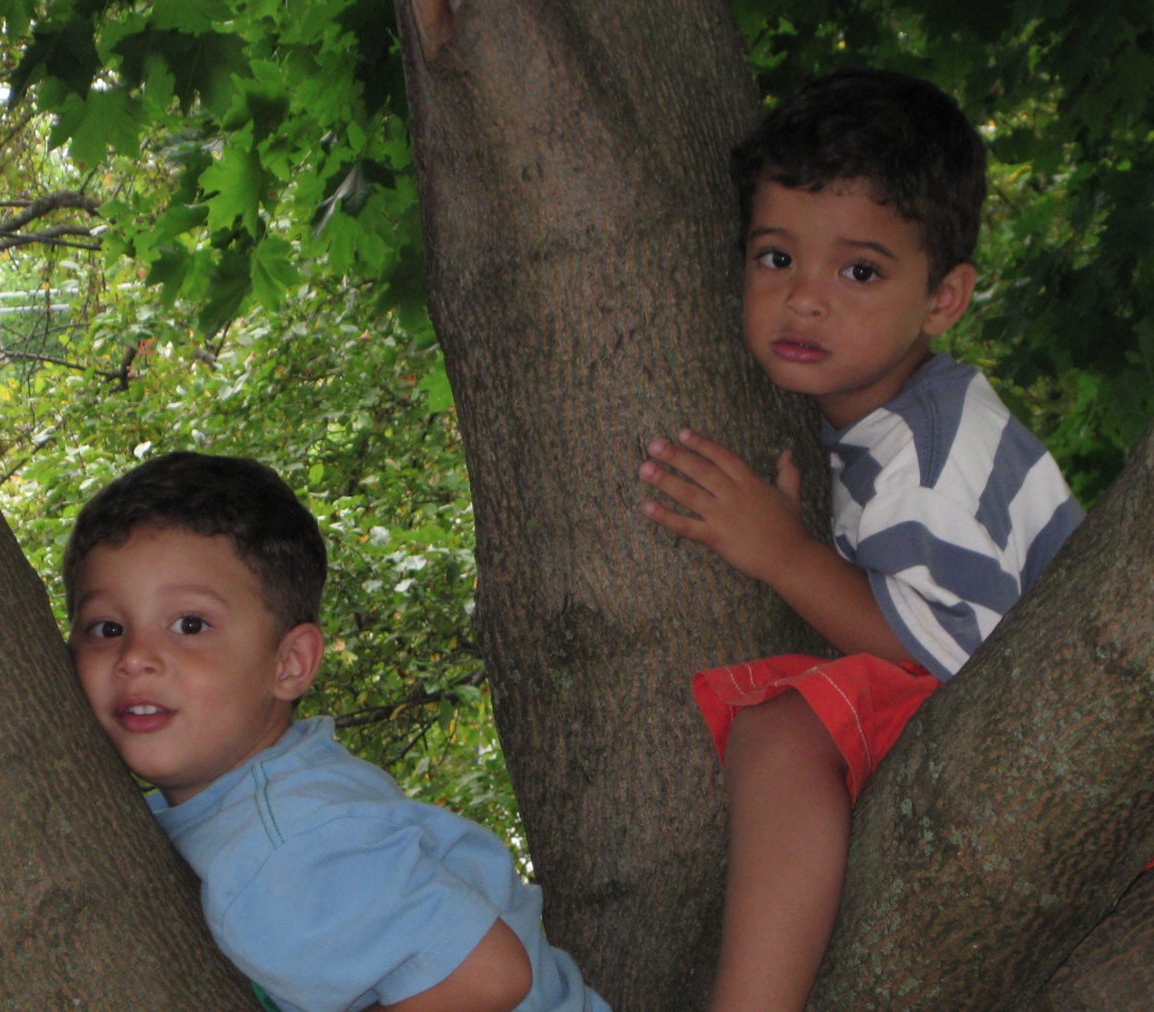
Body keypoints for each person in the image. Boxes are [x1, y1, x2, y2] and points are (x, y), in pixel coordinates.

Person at [638, 68, 1084, 1011]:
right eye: (774, 258)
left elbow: (968, 656)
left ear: (944, 297)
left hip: (1074, 778)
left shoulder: (927, 453)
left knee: (779, 730)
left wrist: (784, 556)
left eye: (860, 271)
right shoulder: (896, 424)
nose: (805, 299)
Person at [62, 451, 609, 1012]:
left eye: (190, 625)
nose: (135, 658)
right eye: (107, 628)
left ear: (290, 663)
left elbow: (488, 977)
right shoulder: (266, 804)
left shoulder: (291, 840)